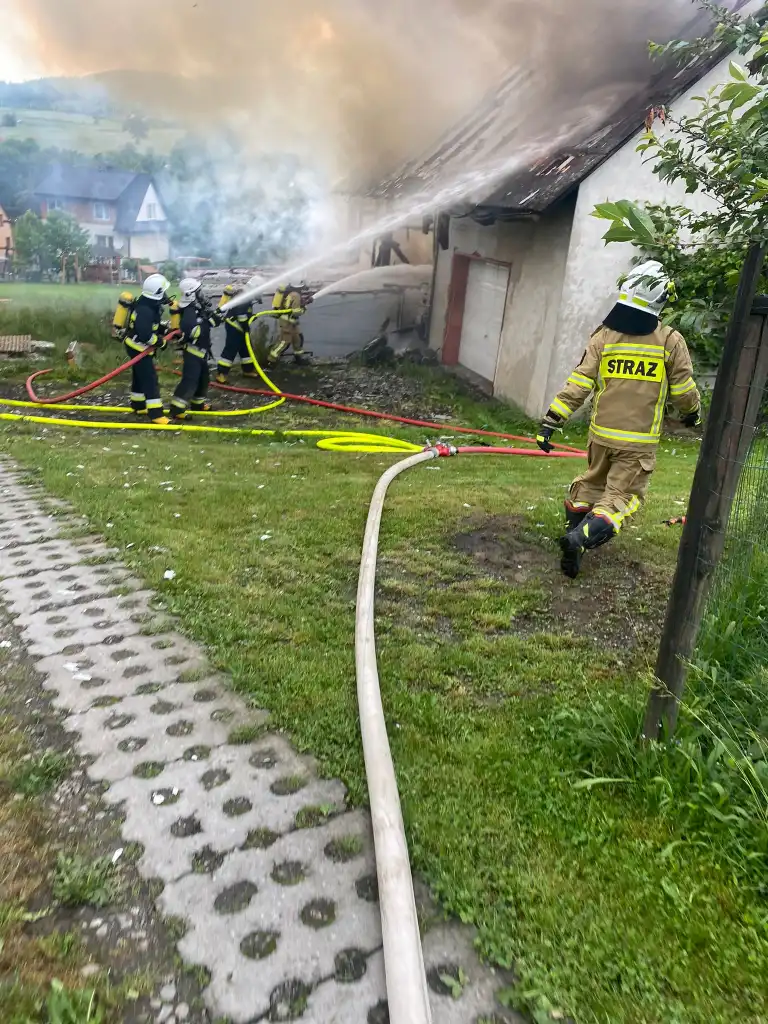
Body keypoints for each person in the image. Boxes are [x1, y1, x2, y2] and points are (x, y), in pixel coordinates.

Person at [537, 260, 701, 579]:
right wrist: (692, 413)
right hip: (637, 443)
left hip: (600, 436)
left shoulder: (604, 336)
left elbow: (579, 383)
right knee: (623, 497)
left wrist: (551, 421)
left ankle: (575, 538)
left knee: (590, 484)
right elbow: (684, 391)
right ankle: (580, 538)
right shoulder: (669, 340)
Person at [123, 273, 172, 424]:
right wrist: (160, 342)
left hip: (135, 345)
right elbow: (145, 335)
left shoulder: (148, 304)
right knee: (150, 379)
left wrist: (163, 329)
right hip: (138, 347)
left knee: (139, 376)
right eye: (163, 292)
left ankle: (138, 405)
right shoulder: (146, 310)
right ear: (157, 293)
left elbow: (150, 326)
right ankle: (156, 414)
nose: (166, 295)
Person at [169, 278, 215, 421]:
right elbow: (191, 332)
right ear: (191, 294)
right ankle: (177, 409)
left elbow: (205, 322)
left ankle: (198, 404)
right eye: (198, 291)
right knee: (190, 381)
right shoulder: (189, 311)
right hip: (193, 352)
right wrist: (207, 322)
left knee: (203, 379)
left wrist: (213, 317)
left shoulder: (196, 308)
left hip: (201, 352)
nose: (201, 294)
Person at [215, 284, 261, 383]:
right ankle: (221, 374)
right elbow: (241, 315)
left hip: (239, 326)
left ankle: (248, 370)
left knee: (246, 349)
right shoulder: (245, 297)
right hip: (234, 326)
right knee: (231, 349)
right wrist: (246, 326)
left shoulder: (247, 295)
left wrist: (250, 317)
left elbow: (242, 312)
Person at [268, 283, 313, 365]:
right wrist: (305, 307)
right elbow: (296, 312)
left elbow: (290, 305)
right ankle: (271, 361)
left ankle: (298, 359)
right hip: (287, 322)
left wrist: (304, 301)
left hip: (291, 322)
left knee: (297, 339)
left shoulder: (290, 292)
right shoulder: (296, 295)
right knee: (284, 342)